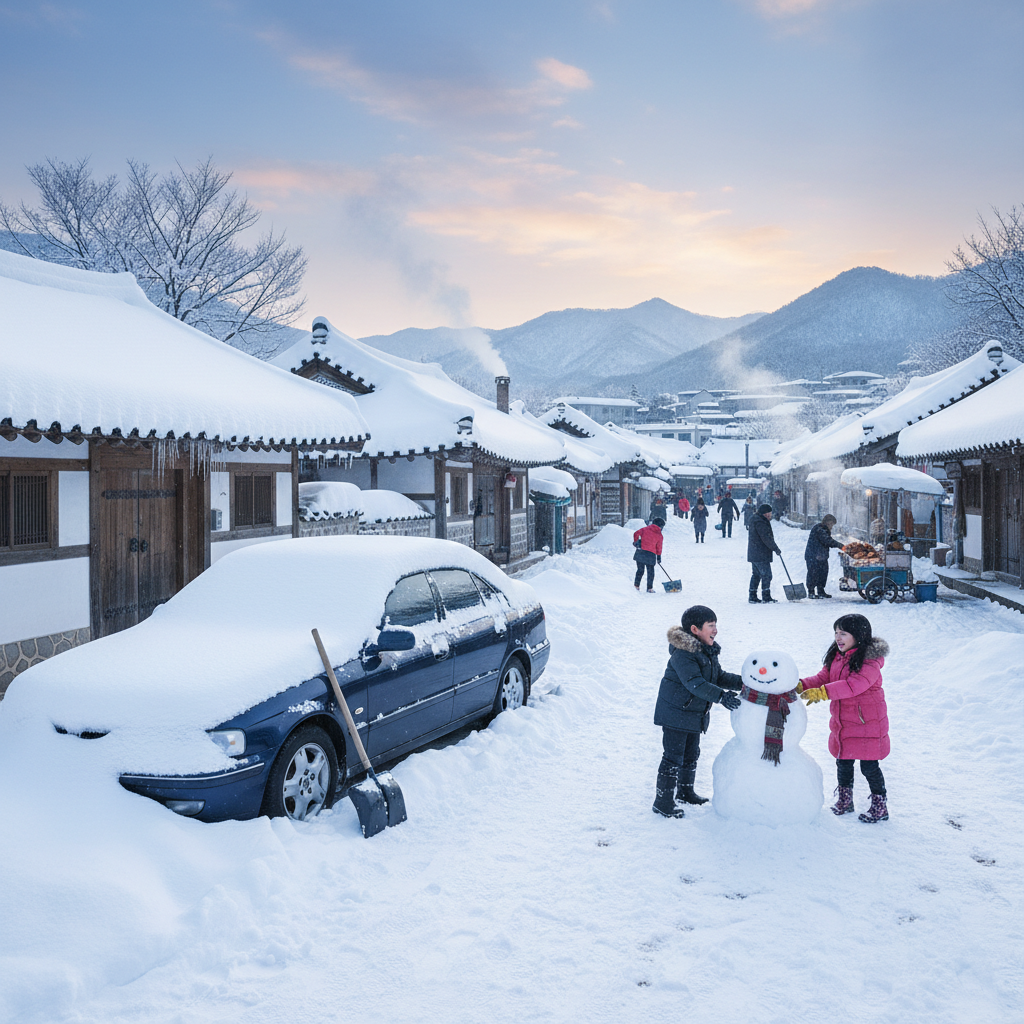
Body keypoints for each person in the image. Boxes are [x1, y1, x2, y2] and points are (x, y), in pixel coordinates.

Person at [651, 604, 742, 817]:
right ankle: (662, 802)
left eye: (715, 625)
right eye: (711, 625)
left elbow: (718, 676)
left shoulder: (706, 650)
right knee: (673, 757)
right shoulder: (683, 653)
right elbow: (695, 683)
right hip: (675, 712)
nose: (715, 630)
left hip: (693, 712)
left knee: (691, 754)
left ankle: (685, 791)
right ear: (695, 629)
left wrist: (745, 682)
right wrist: (721, 696)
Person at [799, 614, 890, 823]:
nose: (838, 638)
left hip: (867, 723)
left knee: (869, 767)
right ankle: (845, 800)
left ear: (858, 636)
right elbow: (824, 678)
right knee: (844, 762)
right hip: (844, 723)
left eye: (843, 633)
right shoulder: (837, 657)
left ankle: (880, 805)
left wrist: (822, 693)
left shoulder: (870, 660)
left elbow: (854, 685)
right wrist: (802, 685)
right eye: (836, 633)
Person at [747, 503, 781, 603]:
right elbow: (766, 538)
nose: (770, 515)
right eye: (770, 513)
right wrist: (775, 548)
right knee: (767, 575)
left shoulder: (756, 519)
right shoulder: (760, 522)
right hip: (760, 553)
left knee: (756, 575)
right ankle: (766, 597)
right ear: (765, 513)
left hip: (755, 553)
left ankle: (752, 596)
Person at [804, 514, 843, 598]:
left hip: (821, 556)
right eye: (832, 524)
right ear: (828, 522)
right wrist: (840, 546)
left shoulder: (823, 529)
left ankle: (821, 591)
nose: (832, 527)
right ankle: (811, 592)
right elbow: (827, 541)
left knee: (823, 573)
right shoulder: (820, 529)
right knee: (813, 574)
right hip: (813, 556)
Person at [633, 516, 665, 592]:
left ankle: (636, 586)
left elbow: (636, 534)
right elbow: (659, 547)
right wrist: (659, 557)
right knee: (650, 572)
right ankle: (649, 588)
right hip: (651, 554)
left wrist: (637, 542)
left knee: (640, 570)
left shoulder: (645, 529)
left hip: (640, 551)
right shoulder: (659, 535)